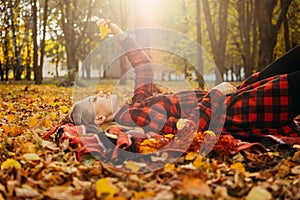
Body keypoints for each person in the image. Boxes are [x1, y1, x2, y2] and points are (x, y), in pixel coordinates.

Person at [47, 20, 300, 160]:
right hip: (238, 110)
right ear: (100, 119)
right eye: (95, 99)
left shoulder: (134, 107)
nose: (101, 93)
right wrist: (217, 94)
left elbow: (144, 69)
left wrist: (122, 36)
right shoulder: (132, 119)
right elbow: (188, 128)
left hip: (237, 97)